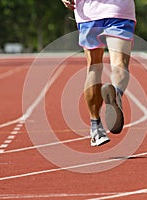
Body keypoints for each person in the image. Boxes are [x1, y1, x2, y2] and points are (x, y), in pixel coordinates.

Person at [61, 0, 136, 146]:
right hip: (119, 10)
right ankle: (116, 93)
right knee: (119, 63)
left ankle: (96, 128)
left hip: (89, 13)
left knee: (94, 67)